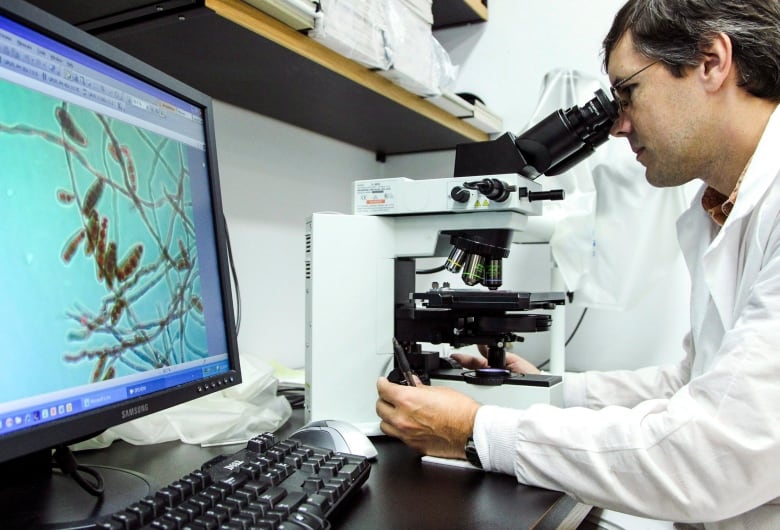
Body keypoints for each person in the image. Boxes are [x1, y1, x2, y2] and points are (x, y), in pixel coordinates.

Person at [375, 1, 780, 528]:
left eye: (627, 92)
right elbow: (691, 382)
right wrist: (545, 389)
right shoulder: (719, 207)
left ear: (710, 61)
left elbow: (710, 455)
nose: (616, 125)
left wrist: (475, 431)